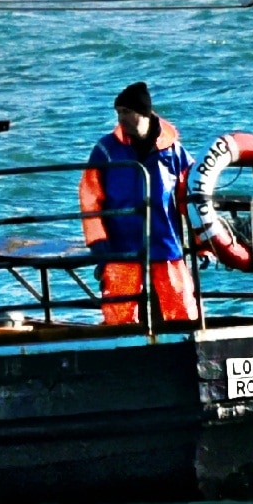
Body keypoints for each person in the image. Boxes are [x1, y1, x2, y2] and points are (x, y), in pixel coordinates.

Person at [78, 81, 200, 327]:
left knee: (180, 307)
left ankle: (182, 343)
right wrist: (100, 246)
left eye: (125, 112)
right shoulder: (106, 150)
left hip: (166, 244)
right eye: (118, 112)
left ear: (142, 113)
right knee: (119, 314)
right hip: (120, 247)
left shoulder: (173, 151)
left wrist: (203, 242)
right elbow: (90, 200)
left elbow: (194, 198)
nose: (120, 118)